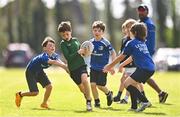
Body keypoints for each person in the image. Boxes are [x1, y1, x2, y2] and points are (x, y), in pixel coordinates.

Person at [104, 22, 153, 112]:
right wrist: (122, 65)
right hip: (150, 68)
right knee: (131, 83)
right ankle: (134, 107)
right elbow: (132, 57)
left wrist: (109, 66)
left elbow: (121, 57)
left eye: (130, 31)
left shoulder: (131, 43)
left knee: (126, 83)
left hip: (144, 69)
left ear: (134, 33)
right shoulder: (141, 42)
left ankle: (144, 101)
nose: (128, 33)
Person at [15, 36, 69, 109]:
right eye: (50, 45)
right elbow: (53, 62)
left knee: (49, 87)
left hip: (39, 71)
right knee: (35, 93)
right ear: (44, 48)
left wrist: (66, 68)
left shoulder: (54, 55)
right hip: (31, 72)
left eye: (53, 46)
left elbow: (59, 61)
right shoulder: (43, 57)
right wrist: (64, 66)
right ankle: (20, 94)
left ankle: (44, 103)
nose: (52, 47)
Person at [58, 21, 92, 111]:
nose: (65, 36)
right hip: (72, 69)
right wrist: (78, 52)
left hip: (81, 65)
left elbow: (82, 52)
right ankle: (87, 97)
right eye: (63, 35)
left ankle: (89, 102)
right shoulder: (63, 44)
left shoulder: (76, 40)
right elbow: (68, 58)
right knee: (82, 89)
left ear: (70, 31)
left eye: (67, 34)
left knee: (85, 80)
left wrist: (86, 52)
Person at [137, 4, 168, 103]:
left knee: (138, 75)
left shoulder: (149, 24)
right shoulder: (141, 22)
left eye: (143, 10)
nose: (140, 12)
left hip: (146, 54)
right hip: (142, 53)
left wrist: (146, 54)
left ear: (147, 12)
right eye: (139, 10)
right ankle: (160, 93)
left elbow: (150, 42)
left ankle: (141, 98)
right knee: (143, 75)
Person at [89, 21, 116, 107]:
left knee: (100, 85)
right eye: (95, 30)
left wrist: (111, 66)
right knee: (92, 85)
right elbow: (86, 53)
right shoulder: (90, 42)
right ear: (92, 31)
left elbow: (113, 53)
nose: (97, 32)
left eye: (99, 31)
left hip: (103, 68)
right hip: (93, 67)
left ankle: (109, 94)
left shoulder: (105, 42)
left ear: (102, 32)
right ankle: (97, 102)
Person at [113, 19, 138, 104]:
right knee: (124, 80)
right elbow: (122, 53)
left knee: (128, 81)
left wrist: (121, 64)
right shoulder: (124, 39)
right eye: (125, 28)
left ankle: (126, 98)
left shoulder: (133, 40)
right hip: (126, 64)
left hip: (132, 64)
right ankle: (121, 97)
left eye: (128, 28)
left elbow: (131, 55)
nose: (126, 30)